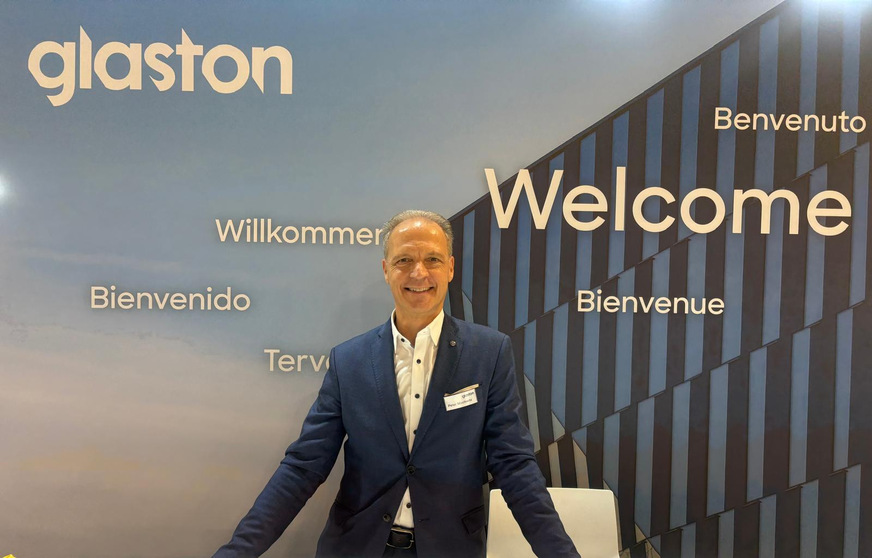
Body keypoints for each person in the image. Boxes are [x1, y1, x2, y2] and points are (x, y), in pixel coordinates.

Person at [214, 210, 580, 558]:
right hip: (355, 548)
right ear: (386, 270)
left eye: (433, 259)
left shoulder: (489, 353)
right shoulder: (348, 360)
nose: (419, 273)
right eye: (404, 260)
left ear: (450, 268)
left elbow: (514, 467)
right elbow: (303, 467)